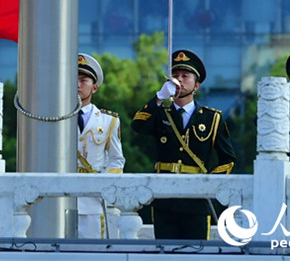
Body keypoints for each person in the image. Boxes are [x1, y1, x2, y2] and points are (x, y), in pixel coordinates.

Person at [130, 49, 236, 240]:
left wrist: (209, 183)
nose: (178, 80)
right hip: (164, 198)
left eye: (185, 76)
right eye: (175, 76)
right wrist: (159, 98)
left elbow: (227, 159)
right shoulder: (162, 113)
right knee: (165, 252)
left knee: (196, 253)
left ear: (196, 85)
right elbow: (138, 125)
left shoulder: (212, 118)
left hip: (196, 199)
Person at [75, 53, 125, 238]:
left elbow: (117, 160)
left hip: (93, 199)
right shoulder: (57, 117)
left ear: (94, 87)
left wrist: (102, 182)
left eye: (84, 80)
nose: (78, 84)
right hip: (62, 197)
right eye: (74, 79)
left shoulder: (108, 120)